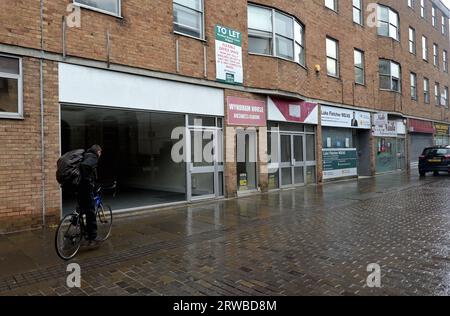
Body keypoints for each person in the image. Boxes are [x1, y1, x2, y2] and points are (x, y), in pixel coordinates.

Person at [77, 144, 102, 245]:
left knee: (83, 209)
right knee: (91, 211)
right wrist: (89, 183)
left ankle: (82, 230)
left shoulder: (85, 155)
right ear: (98, 152)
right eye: (100, 153)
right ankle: (92, 237)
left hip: (78, 187)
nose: (100, 155)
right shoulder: (93, 157)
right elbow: (85, 166)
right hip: (85, 189)